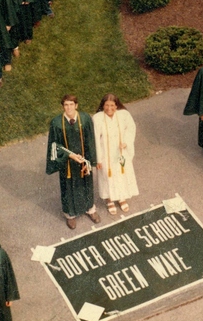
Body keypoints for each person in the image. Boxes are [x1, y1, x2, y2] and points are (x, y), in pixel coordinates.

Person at [46, 94, 99, 228]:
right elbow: (54, 145)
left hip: (83, 160)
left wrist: (90, 161)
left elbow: (90, 140)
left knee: (86, 184)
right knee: (68, 187)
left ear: (76, 105)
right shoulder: (57, 123)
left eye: (71, 104)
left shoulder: (85, 119)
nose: (69, 108)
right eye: (66, 105)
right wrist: (70, 156)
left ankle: (90, 209)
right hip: (67, 162)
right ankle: (70, 215)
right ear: (63, 106)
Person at [92, 94, 139, 214]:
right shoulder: (97, 118)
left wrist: (126, 142)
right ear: (103, 106)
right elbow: (95, 139)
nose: (109, 108)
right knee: (107, 176)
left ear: (116, 105)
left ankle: (121, 197)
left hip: (120, 152)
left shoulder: (124, 115)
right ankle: (109, 200)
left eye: (112, 105)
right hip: (105, 153)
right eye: (106, 105)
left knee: (122, 174)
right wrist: (98, 159)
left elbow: (131, 129)